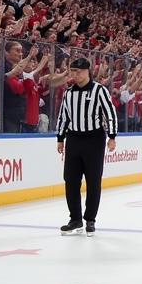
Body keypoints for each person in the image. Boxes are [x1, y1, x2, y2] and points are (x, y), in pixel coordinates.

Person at [55, 57, 118, 236]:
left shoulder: (99, 90)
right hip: (73, 139)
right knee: (71, 180)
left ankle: (90, 219)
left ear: (87, 71)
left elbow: (110, 113)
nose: (76, 75)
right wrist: (60, 138)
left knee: (93, 180)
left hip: (94, 140)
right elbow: (63, 116)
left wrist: (112, 136)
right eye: (73, 71)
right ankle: (75, 219)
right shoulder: (69, 93)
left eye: (79, 71)